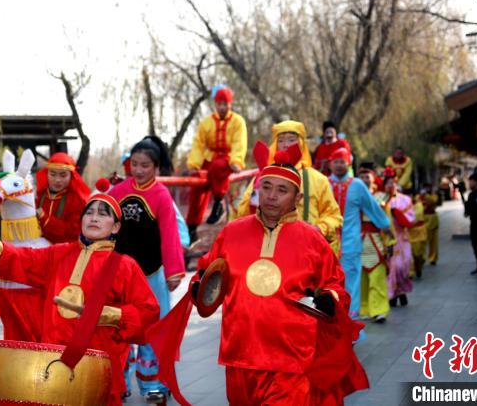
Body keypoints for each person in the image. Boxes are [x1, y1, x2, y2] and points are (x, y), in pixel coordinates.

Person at [149, 153, 368, 405]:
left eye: (282, 190)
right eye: (266, 187)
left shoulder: (313, 240)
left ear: (297, 198)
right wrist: (199, 290)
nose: (272, 196)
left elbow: (335, 286)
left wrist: (328, 299)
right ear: (257, 190)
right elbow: (206, 277)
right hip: (240, 355)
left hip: (292, 358)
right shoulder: (232, 233)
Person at [0, 192, 159, 406]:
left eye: (103, 214)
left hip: (98, 368)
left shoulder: (125, 266)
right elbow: (25, 259)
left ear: (115, 228)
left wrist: (107, 315)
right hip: (54, 364)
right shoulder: (60, 254)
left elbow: (148, 312)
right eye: (89, 213)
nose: (94, 218)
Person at [109, 136, 186, 404]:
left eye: (145, 166)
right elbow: (101, 216)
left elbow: (170, 234)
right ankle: (119, 381)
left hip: (153, 274)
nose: (139, 171)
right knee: (118, 325)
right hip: (121, 273)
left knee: (154, 327)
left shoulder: (161, 195)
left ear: (156, 167)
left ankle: (154, 385)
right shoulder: (118, 191)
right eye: (135, 165)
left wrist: (174, 270)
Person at [235, 120, 342, 251]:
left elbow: (334, 216)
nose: (285, 145)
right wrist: (256, 194)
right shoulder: (263, 177)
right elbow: (241, 214)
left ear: (302, 144)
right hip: (267, 253)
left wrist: (319, 229)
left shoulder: (318, 180)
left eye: (291, 140)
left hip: (305, 251)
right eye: (280, 141)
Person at [328, 149, 390, 335]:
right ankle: (330, 326)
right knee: (328, 286)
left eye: (342, 161)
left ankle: (350, 327)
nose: (339, 164)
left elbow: (372, 206)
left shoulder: (357, 185)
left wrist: (385, 224)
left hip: (351, 244)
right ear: (330, 163)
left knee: (350, 284)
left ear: (348, 163)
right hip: (327, 245)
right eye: (335, 161)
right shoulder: (324, 183)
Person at [186, 84, 247, 236]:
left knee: (218, 167)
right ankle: (192, 226)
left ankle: (218, 202)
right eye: (219, 104)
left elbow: (239, 143)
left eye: (225, 104)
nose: (221, 107)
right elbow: (199, 144)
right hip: (209, 157)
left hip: (227, 158)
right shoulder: (206, 122)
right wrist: (194, 164)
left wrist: (236, 161)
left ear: (230, 104)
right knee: (197, 185)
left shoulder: (237, 121)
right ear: (215, 104)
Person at [357, 165, 394, 324]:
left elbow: (387, 220)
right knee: (361, 280)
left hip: (376, 242)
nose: (365, 180)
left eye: (368, 176)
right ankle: (364, 309)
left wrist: (391, 241)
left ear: (373, 179)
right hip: (357, 242)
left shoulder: (382, 197)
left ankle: (379, 310)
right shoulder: (352, 198)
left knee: (377, 277)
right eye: (362, 177)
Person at [35, 152, 91, 244]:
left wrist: (44, 218)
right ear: (47, 174)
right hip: (39, 248)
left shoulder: (78, 200)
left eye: (63, 175)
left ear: (71, 176)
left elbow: (73, 232)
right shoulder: (39, 196)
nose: (57, 180)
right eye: (53, 174)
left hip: (65, 250)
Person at [381, 168, 416, 307]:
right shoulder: (379, 199)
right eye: (388, 183)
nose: (390, 185)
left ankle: (400, 291)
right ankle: (393, 295)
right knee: (392, 267)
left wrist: (399, 215)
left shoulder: (405, 199)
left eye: (392, 182)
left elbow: (410, 218)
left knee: (404, 265)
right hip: (386, 239)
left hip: (402, 238)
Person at [409, 195, 428, 279]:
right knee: (410, 253)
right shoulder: (404, 205)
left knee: (419, 253)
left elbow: (416, 217)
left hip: (419, 232)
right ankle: (410, 272)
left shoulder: (419, 205)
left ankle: (418, 266)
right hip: (409, 232)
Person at [421, 183, 440, 265]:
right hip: (424, 218)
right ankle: (422, 257)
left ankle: (433, 258)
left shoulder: (434, 195)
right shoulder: (420, 196)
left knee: (433, 241)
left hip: (432, 218)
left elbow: (434, 201)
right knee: (423, 240)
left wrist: (426, 195)